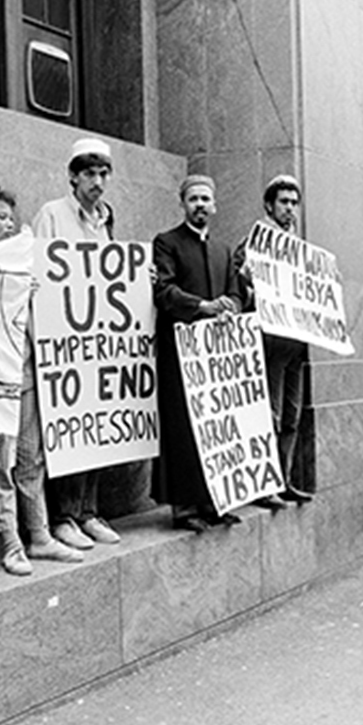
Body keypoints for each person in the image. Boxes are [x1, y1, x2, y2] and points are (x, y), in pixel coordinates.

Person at [0, 175, 85, 574]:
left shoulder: (24, 262)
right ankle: (11, 543)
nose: (9, 224)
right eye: (1, 217)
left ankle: (40, 535)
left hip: (26, 370)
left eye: (12, 217)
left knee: (32, 457)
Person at [30, 138, 122, 550]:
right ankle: (64, 516)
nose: (97, 181)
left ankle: (89, 511)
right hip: (66, 341)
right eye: (89, 173)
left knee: (96, 427)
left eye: (103, 174)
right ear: (73, 176)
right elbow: (42, 272)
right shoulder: (52, 214)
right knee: (70, 430)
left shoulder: (106, 220)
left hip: (96, 341)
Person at [152, 175, 244, 532]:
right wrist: (203, 306)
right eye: (194, 199)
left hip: (216, 355)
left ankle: (213, 501)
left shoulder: (223, 250)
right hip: (180, 352)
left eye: (206, 198)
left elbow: (236, 293)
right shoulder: (167, 242)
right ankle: (185, 507)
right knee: (183, 428)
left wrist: (230, 307)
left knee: (215, 426)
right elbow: (164, 290)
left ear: (215, 205)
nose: (200, 204)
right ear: (183, 204)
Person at [233, 174, 313, 510]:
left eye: (294, 203)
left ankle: (284, 479)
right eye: (284, 202)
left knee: (292, 415)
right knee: (271, 412)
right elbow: (235, 278)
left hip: (295, 340)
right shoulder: (256, 240)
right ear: (269, 205)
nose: (290, 209)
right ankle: (264, 483)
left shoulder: (297, 243)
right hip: (268, 339)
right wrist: (255, 288)